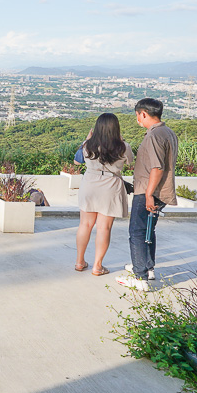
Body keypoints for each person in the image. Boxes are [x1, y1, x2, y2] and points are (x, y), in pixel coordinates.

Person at [117, 98, 178, 292]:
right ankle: (147, 267)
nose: (137, 119)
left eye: (137, 115)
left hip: (147, 191)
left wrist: (149, 194)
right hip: (160, 190)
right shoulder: (168, 132)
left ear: (143, 113)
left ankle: (140, 276)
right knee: (148, 231)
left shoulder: (154, 136)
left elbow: (157, 168)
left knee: (136, 231)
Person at [74, 113, 133, 276]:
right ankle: (97, 266)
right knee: (104, 228)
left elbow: (77, 161)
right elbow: (130, 161)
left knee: (85, 225)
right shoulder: (123, 146)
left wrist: (85, 140)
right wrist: (121, 141)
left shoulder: (87, 144)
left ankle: (80, 262)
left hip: (90, 184)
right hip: (111, 186)